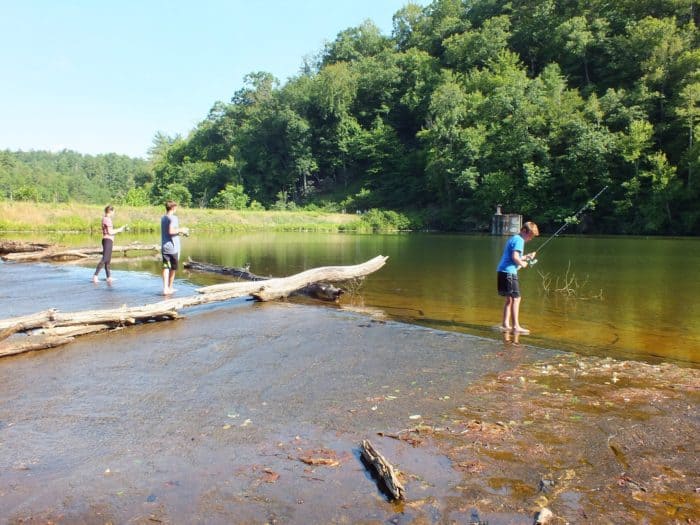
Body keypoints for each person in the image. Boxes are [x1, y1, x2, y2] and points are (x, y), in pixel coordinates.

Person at [496, 221, 539, 334]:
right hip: (509, 273)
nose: (530, 238)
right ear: (524, 231)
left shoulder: (514, 238)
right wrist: (523, 263)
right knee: (516, 298)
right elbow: (515, 257)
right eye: (530, 235)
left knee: (509, 299)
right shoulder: (519, 240)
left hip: (502, 271)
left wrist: (526, 257)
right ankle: (516, 327)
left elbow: (515, 257)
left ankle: (505, 324)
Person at [93, 205, 127, 284]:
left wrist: (119, 229)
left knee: (108, 261)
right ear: (110, 211)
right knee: (105, 259)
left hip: (108, 240)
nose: (114, 213)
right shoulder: (107, 220)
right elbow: (110, 232)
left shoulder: (105, 219)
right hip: (107, 240)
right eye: (113, 211)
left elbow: (110, 230)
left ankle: (108, 277)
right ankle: (95, 276)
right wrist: (119, 230)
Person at [160, 200, 189, 295]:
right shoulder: (174, 218)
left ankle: (165, 288)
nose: (176, 209)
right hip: (173, 248)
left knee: (166, 267)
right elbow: (171, 231)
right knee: (173, 268)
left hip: (165, 247)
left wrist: (180, 233)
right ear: (173, 208)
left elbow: (171, 232)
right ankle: (170, 287)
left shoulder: (163, 218)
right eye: (176, 208)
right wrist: (182, 229)